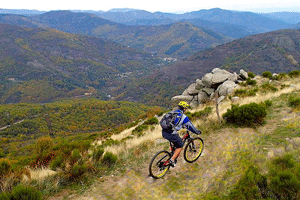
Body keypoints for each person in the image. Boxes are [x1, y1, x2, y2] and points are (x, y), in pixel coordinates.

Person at [162, 101, 201, 167]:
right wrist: (196, 131)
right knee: (180, 146)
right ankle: (172, 160)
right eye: (186, 108)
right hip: (171, 134)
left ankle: (171, 153)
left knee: (174, 141)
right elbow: (190, 126)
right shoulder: (184, 117)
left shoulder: (172, 112)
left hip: (164, 132)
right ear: (184, 109)